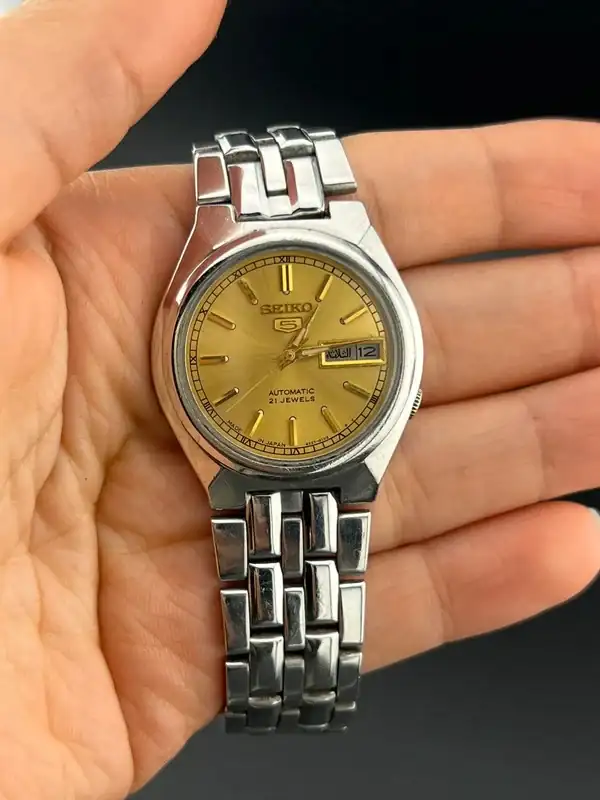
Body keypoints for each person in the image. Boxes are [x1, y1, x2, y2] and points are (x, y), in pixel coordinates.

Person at [1, 0, 599, 796]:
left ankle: (297, 688)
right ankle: (291, 688)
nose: (288, 353)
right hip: (242, 445)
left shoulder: (328, 319)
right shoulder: (211, 319)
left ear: (407, 379)